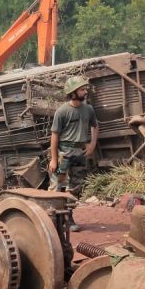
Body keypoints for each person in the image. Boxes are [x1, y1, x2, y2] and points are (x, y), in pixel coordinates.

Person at [48, 76, 99, 230]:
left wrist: (92, 144)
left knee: (75, 187)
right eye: (82, 89)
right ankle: (53, 219)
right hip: (64, 152)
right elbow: (55, 135)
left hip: (80, 153)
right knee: (57, 186)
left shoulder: (88, 109)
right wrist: (54, 159)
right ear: (72, 93)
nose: (85, 91)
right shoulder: (62, 111)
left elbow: (95, 126)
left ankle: (68, 218)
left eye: (85, 88)